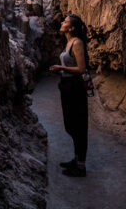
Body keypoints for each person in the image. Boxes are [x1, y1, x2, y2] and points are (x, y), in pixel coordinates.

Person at [49, 14, 89, 177]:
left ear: (71, 28)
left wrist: (61, 68)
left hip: (75, 87)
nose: (62, 22)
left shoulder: (77, 43)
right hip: (67, 86)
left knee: (78, 125)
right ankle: (76, 158)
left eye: (65, 22)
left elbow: (81, 69)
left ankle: (81, 166)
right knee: (70, 124)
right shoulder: (69, 42)